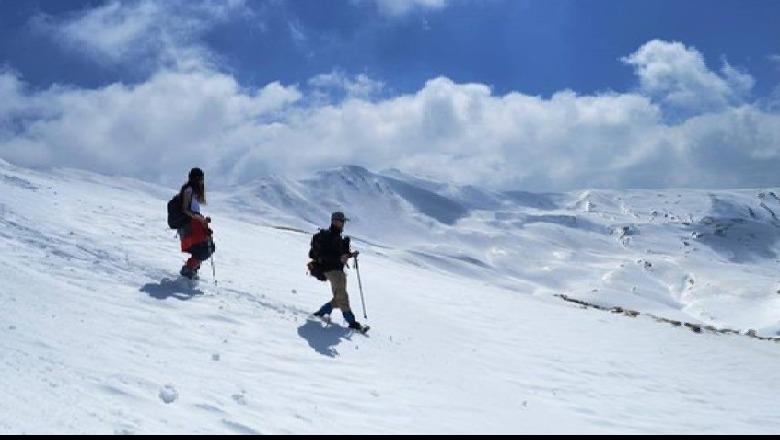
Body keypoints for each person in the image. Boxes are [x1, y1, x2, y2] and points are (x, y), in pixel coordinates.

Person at [311, 211, 363, 330]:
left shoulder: (337, 237)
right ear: (335, 221)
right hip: (332, 271)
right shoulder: (328, 237)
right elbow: (324, 255)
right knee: (342, 297)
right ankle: (352, 323)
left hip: (338, 271)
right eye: (342, 221)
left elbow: (339, 256)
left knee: (339, 296)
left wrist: (350, 255)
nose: (343, 224)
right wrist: (339, 258)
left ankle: (323, 311)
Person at [178, 167, 214, 280]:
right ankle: (189, 269)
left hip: (195, 224)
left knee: (206, 248)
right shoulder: (189, 190)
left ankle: (192, 269)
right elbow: (185, 209)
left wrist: (202, 221)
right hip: (191, 225)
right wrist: (200, 219)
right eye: (200, 179)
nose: (202, 182)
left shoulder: (193, 192)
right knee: (205, 249)